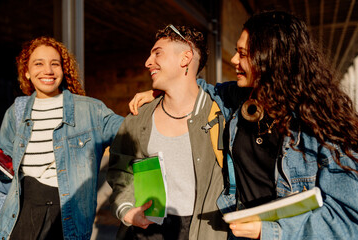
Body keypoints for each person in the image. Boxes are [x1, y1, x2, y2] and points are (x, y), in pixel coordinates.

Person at [130, 11, 358, 240]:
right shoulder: (239, 99)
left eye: (243, 54)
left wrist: (268, 231)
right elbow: (202, 89)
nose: (234, 60)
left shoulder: (324, 128)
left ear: (271, 58)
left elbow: (348, 220)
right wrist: (162, 90)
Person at [107, 25, 228, 239]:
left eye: (158, 53)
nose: (148, 62)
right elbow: (120, 170)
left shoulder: (221, 115)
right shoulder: (138, 117)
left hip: (203, 231)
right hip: (146, 231)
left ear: (185, 58)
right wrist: (126, 209)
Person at [0, 36, 124, 239]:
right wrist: (2, 213)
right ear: (27, 72)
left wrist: (155, 98)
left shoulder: (91, 110)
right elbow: (2, 173)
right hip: (21, 216)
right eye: (38, 63)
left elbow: (132, 132)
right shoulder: (16, 113)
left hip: (66, 218)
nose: (48, 70)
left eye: (54, 64)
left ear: (63, 70)